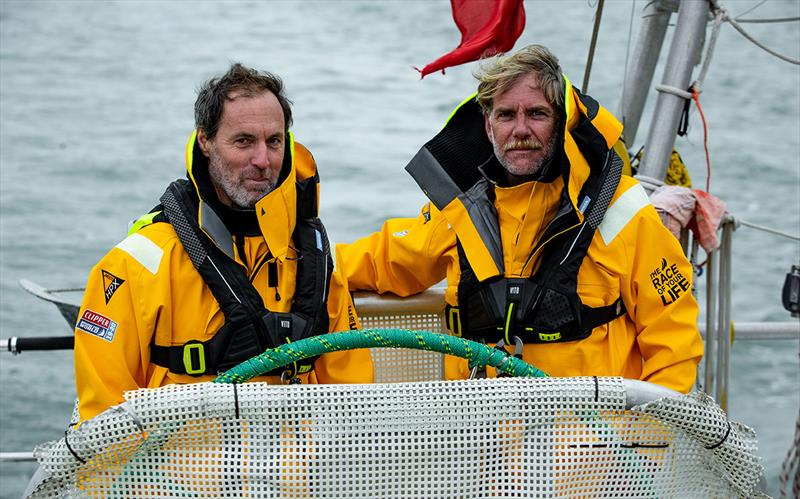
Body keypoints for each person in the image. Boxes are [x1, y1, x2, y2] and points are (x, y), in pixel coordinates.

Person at [337, 45, 703, 393]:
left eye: (537, 114)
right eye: (506, 114)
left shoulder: (622, 211)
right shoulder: (460, 214)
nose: (521, 130)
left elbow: (675, 343)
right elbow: (381, 261)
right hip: (482, 447)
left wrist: (641, 446)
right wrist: (302, 263)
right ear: (488, 127)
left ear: (562, 122)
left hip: (593, 451)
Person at [74, 63, 372, 422]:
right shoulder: (134, 266)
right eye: (243, 141)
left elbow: (353, 402)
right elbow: (103, 422)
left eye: (274, 141)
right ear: (205, 141)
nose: (262, 161)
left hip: (295, 476)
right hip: (178, 475)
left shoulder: (313, 262)